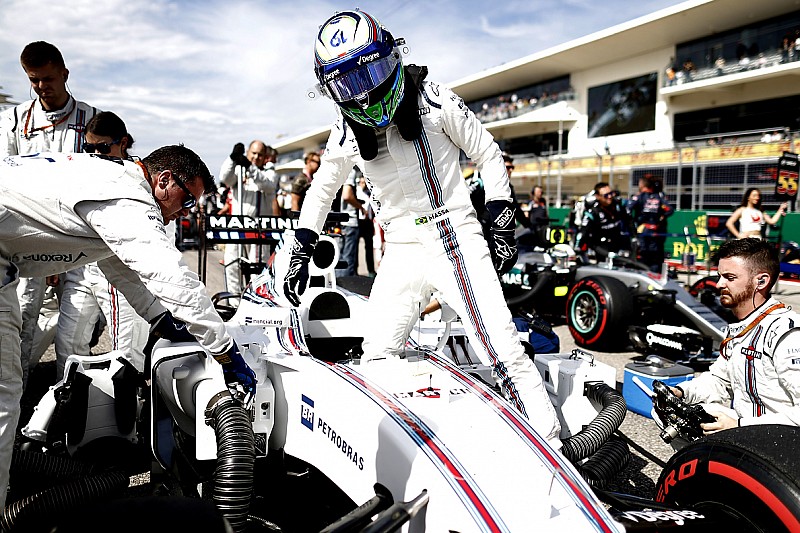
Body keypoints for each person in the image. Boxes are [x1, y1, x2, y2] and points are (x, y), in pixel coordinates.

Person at [281, 9, 560, 446]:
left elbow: (488, 152)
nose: (365, 92)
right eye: (347, 83)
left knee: (502, 351)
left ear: (390, 57)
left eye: (369, 71)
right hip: (403, 248)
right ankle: (414, 440)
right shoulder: (343, 131)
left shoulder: (434, 99)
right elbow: (321, 191)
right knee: (376, 351)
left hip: (455, 238)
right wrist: (300, 246)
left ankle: (554, 446)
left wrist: (501, 217)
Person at [0, 145, 257, 508]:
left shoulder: (110, 177)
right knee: (3, 395)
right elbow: (174, 278)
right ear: (164, 179)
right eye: (185, 203)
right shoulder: (129, 197)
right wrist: (227, 353)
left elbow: (113, 260)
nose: (180, 216)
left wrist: (158, 316)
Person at [0, 41, 99, 389]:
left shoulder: (91, 119)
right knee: (19, 330)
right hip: (26, 246)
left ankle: (69, 418)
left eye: (48, 79)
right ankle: (16, 411)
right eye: (34, 80)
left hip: (78, 247)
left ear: (64, 74)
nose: (42, 87)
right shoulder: (13, 120)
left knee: (73, 341)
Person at [666, 238, 800, 433]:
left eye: (729, 277)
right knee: (678, 417)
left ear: (761, 281)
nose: (719, 284)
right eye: (720, 276)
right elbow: (719, 380)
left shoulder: (786, 334)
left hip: (781, 445)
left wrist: (738, 425)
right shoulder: (743, 327)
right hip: (749, 436)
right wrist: (679, 392)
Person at [54, 111, 150, 378]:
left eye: (103, 147)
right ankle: (74, 411)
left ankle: (130, 417)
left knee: (128, 356)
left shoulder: (140, 179)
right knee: (68, 346)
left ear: (123, 143)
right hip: (83, 269)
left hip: (124, 277)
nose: (95, 153)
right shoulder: (79, 173)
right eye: (89, 147)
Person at [219, 140, 278, 295]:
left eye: (260, 154)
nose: (256, 157)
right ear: (247, 153)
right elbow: (225, 177)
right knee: (232, 266)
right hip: (237, 228)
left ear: (265, 157)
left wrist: (250, 168)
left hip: (259, 231)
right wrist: (232, 159)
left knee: (257, 270)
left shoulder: (269, 173)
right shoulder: (238, 172)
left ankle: (256, 303)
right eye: (253, 153)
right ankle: (233, 305)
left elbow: (269, 185)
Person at [575, 182, 632, 262]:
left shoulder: (618, 205)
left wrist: (633, 237)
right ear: (598, 196)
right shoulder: (593, 212)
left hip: (618, 243)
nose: (609, 197)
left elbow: (629, 220)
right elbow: (583, 231)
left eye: (611, 193)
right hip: (601, 246)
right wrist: (577, 247)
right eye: (606, 195)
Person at [628, 176, 674, 273]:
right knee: (656, 257)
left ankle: (644, 275)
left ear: (643, 185)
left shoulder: (639, 196)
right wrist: (661, 218)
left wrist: (631, 224)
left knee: (643, 255)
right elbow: (669, 210)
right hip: (657, 231)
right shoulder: (660, 196)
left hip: (643, 231)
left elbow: (627, 209)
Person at [335, 167, 366, 277]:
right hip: (349, 220)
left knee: (340, 256)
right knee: (348, 258)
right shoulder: (350, 171)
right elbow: (347, 195)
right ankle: (346, 286)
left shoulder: (339, 170)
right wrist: (360, 207)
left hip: (339, 220)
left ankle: (339, 285)